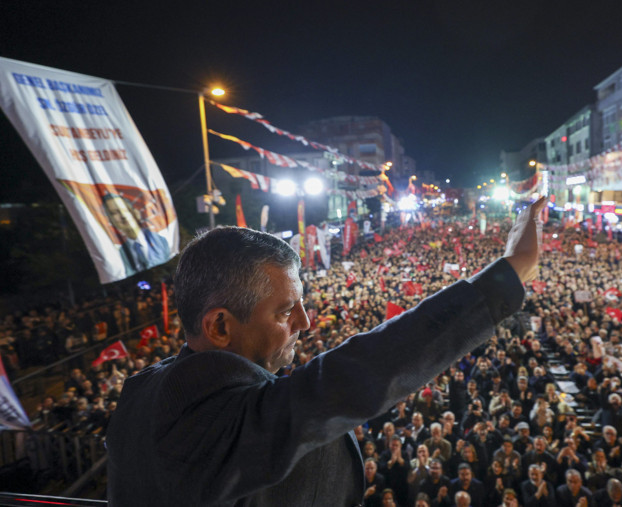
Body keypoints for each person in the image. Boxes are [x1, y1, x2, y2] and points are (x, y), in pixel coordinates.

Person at [106, 198, 546, 505]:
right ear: (220, 326)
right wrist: (506, 276)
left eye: (302, 304)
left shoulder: (143, 391)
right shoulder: (217, 419)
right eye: (284, 312)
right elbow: (359, 372)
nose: (305, 322)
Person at [102, 192, 170, 274]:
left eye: (125, 209)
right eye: (114, 213)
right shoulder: (120, 255)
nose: (123, 216)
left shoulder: (162, 242)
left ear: (136, 213)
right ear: (110, 221)